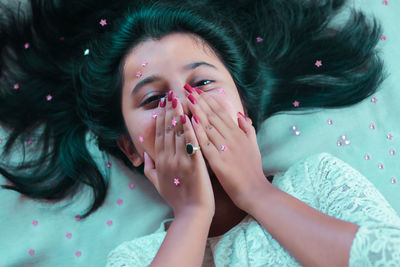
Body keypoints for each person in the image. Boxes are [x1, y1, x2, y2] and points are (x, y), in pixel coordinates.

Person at [1, 0, 398, 266]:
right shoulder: (139, 257)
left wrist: (256, 193)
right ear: (131, 147)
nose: (183, 105)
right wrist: (192, 214)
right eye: (154, 98)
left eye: (202, 84)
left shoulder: (318, 181)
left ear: (242, 104)